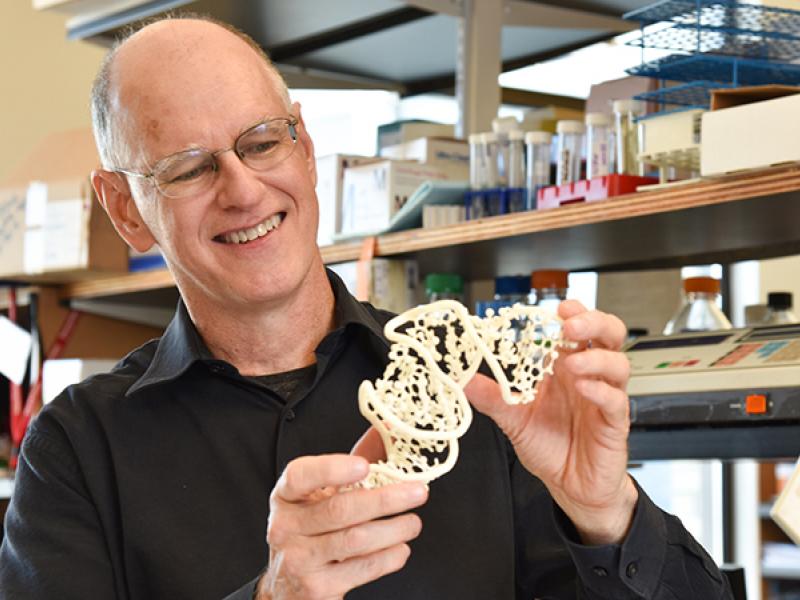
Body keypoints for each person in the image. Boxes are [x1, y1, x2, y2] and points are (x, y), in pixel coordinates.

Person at [0, 14, 733, 600]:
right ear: (126, 208)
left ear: (306, 146)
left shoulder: (480, 398)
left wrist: (606, 511)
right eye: (189, 167)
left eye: (260, 142)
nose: (244, 190)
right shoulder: (75, 450)